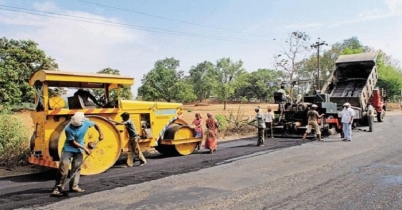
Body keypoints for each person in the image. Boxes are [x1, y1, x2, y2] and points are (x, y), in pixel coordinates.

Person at [51, 112, 104, 195]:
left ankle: (74, 186)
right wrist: (85, 148)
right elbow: (73, 142)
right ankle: (58, 187)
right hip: (68, 149)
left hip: (79, 151)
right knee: (63, 169)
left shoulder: (86, 123)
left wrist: (101, 133)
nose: (75, 127)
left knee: (76, 168)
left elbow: (96, 124)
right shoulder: (68, 129)